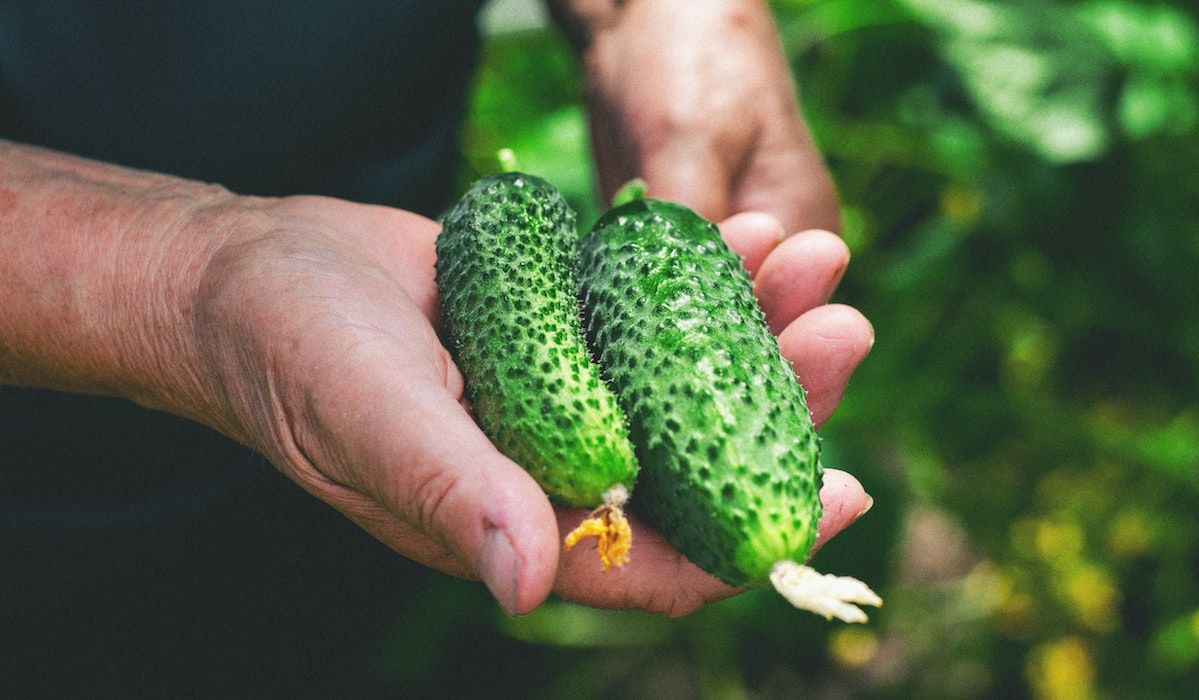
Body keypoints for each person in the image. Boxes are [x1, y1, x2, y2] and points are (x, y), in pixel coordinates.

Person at [0, 0, 875, 693]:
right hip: (33, 488)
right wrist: (179, 275)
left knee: (328, 620)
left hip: (375, 317)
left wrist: (656, 12)